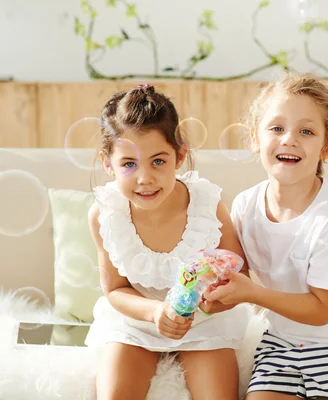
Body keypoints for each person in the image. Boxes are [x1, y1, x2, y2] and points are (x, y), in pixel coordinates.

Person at [204, 73, 328, 399]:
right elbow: (235, 278)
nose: (289, 139)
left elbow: (321, 309)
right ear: (255, 138)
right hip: (284, 343)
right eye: (276, 128)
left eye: (306, 131)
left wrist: (250, 293)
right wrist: (204, 294)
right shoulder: (245, 206)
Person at [85, 84, 250, 400]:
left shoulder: (206, 206)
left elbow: (237, 273)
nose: (144, 177)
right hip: (138, 321)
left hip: (201, 322)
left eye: (158, 161)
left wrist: (212, 299)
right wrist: (155, 313)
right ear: (109, 164)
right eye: (128, 164)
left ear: (180, 156)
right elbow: (116, 290)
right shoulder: (105, 215)